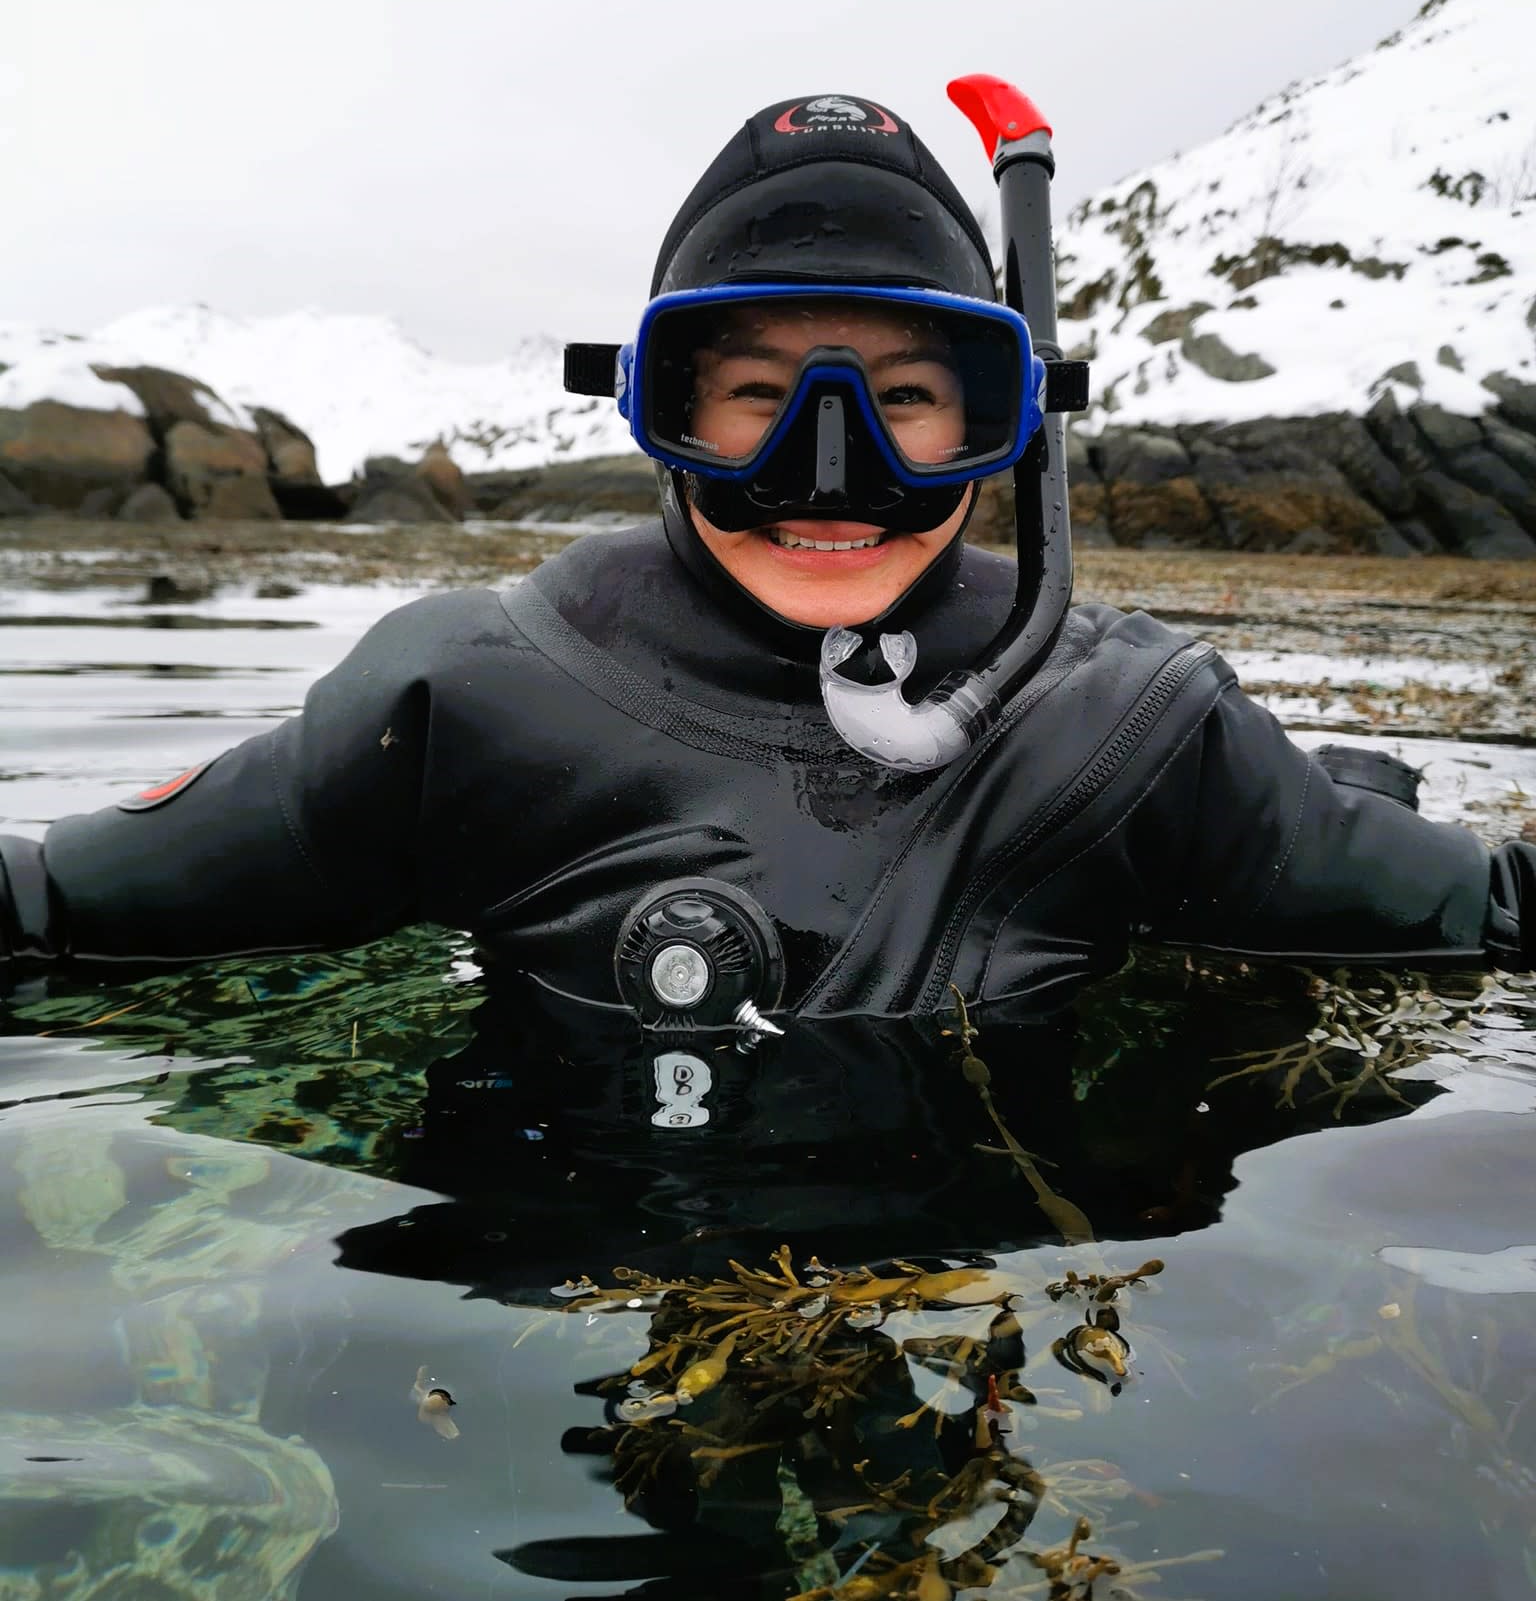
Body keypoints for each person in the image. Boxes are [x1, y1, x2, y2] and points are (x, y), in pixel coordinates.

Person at [2, 86, 1532, 1057]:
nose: (832, 467)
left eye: (908, 399)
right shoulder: (462, 699)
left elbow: (1488, 911)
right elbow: (60, 898)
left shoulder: (1135, 728)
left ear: (1010, 420)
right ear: (656, 409)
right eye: (756, 395)